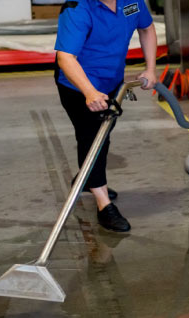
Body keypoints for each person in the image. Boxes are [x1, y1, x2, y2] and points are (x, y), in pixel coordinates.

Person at [54, 0, 158, 232]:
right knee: (93, 137)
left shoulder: (132, 2)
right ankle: (104, 205)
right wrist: (89, 92)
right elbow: (66, 58)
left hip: (112, 81)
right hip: (78, 85)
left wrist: (150, 68)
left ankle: (88, 178)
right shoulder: (77, 8)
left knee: (102, 134)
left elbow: (147, 28)